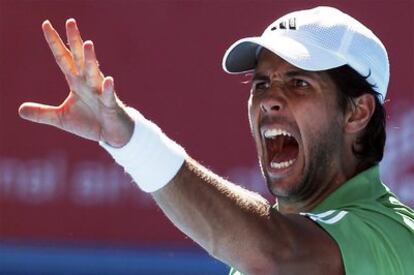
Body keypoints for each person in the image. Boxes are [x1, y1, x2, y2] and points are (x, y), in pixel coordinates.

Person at [19, 6, 413, 275]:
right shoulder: (262, 251)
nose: (269, 99)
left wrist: (133, 141)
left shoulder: (397, 237)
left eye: (298, 83)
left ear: (357, 112)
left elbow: (276, 255)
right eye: (261, 83)